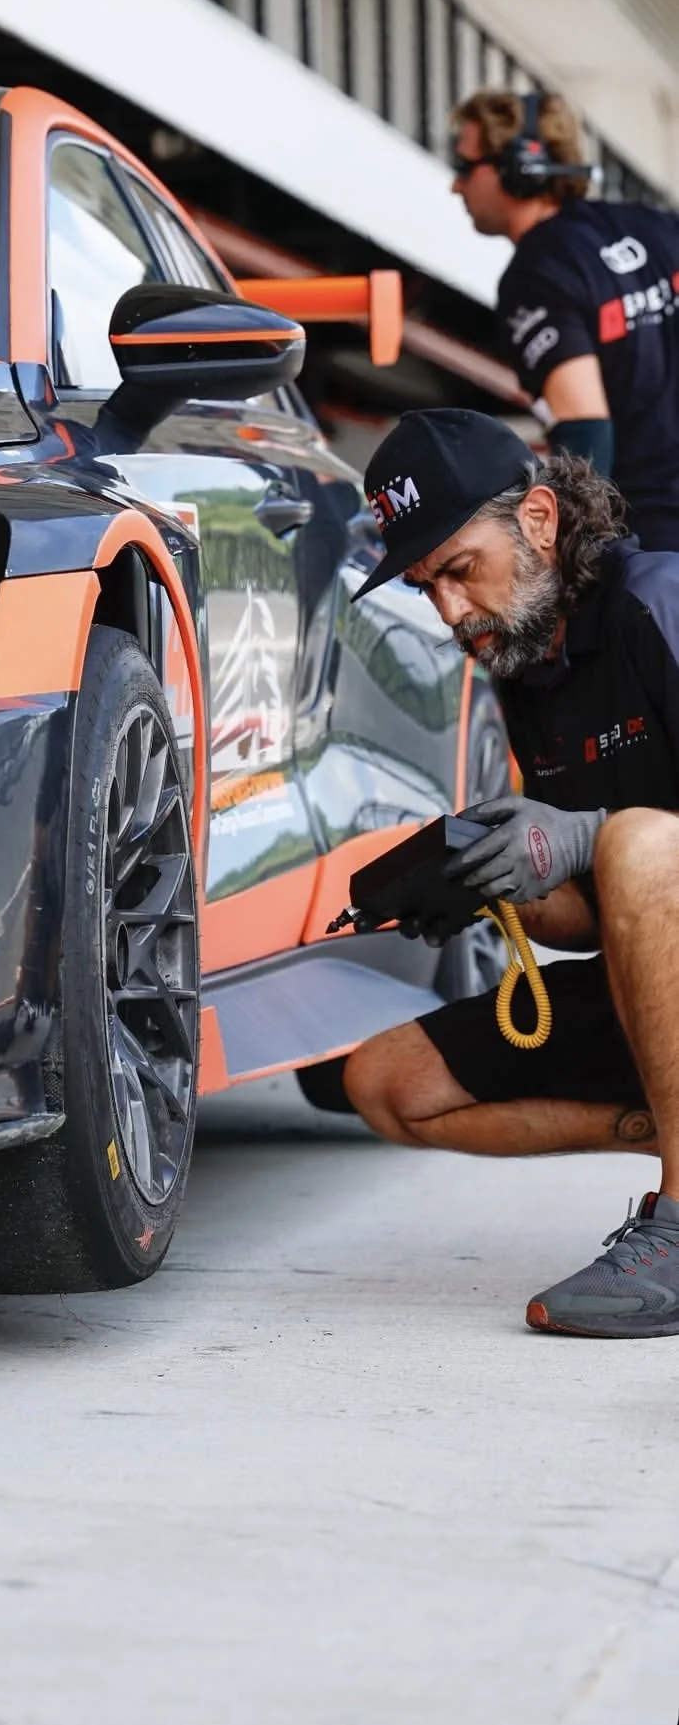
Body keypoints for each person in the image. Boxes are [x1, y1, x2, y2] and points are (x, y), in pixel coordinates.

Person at [343, 405, 679, 1337]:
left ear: (537, 520)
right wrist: (509, 884)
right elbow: (601, 914)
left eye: (458, 570)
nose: (450, 612)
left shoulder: (657, 602)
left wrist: (588, 835)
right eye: (425, 587)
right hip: (662, 997)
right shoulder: (524, 663)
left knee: (640, 842)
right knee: (386, 1082)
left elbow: (634, 862)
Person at [451, 87, 679, 551]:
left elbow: (585, 428)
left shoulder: (536, 274)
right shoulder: (658, 227)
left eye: (464, 168)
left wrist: (575, 559)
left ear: (518, 169)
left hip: (660, 546)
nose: (455, 186)